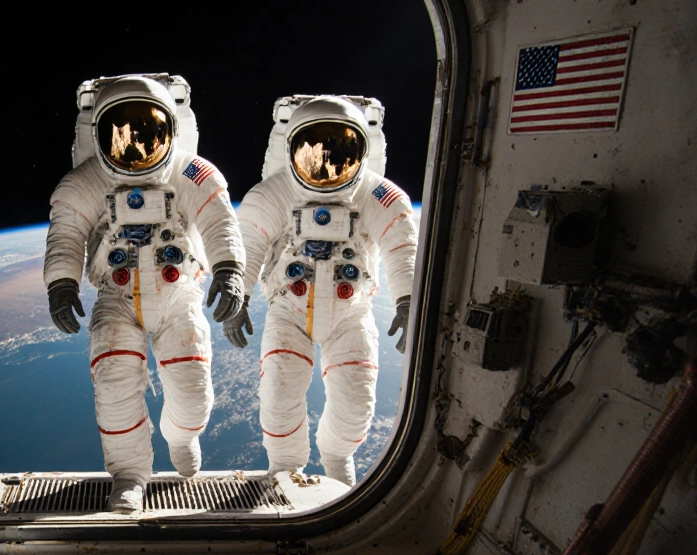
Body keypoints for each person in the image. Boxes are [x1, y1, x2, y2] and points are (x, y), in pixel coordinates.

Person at [44, 75, 245, 513]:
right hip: (116, 300)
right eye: (121, 135)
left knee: (193, 396)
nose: (134, 146)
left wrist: (229, 270)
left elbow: (218, 222)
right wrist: (61, 283)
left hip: (179, 296)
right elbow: (66, 234)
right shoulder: (85, 181)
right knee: (114, 387)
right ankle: (130, 477)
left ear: (171, 130)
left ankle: (182, 436)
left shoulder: (192, 173)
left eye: (147, 133)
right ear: (99, 135)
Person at [224, 95, 417, 486]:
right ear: (292, 146)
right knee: (279, 394)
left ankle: (337, 459)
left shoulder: (378, 194)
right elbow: (249, 241)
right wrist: (238, 292)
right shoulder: (274, 193)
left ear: (361, 150)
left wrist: (408, 298)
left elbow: (401, 245)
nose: (327, 164)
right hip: (288, 309)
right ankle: (282, 470)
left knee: (355, 402)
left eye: (340, 152)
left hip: (352, 312)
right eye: (315, 153)